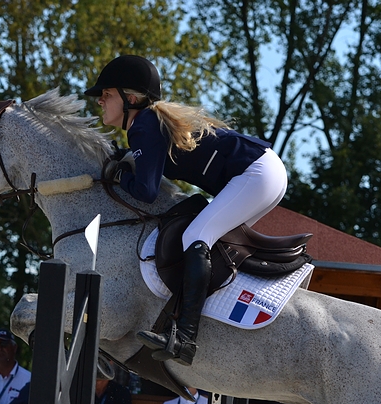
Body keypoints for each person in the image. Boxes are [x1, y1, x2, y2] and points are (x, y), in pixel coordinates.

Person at [85, 55, 288, 366]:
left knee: (196, 235)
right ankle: (214, 326)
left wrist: (116, 174)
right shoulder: (147, 124)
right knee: (212, 246)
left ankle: (185, 338)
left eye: (107, 94)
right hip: (263, 171)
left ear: (132, 98)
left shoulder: (144, 125)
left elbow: (146, 192)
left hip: (255, 173)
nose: (100, 100)